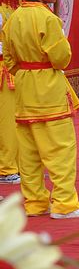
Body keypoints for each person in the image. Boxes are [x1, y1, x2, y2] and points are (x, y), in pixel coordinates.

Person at [5, 0, 79, 219]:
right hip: (48, 89)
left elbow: (9, 60)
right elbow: (61, 58)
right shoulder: (48, 19)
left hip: (23, 88)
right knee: (60, 150)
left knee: (29, 154)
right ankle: (65, 204)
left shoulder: (14, 18)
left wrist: (26, 69)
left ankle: (35, 203)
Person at [0, 9, 19, 185]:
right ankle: (6, 168)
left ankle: (18, 164)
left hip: (14, 68)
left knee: (16, 121)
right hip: (5, 67)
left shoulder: (14, 5)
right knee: (6, 123)